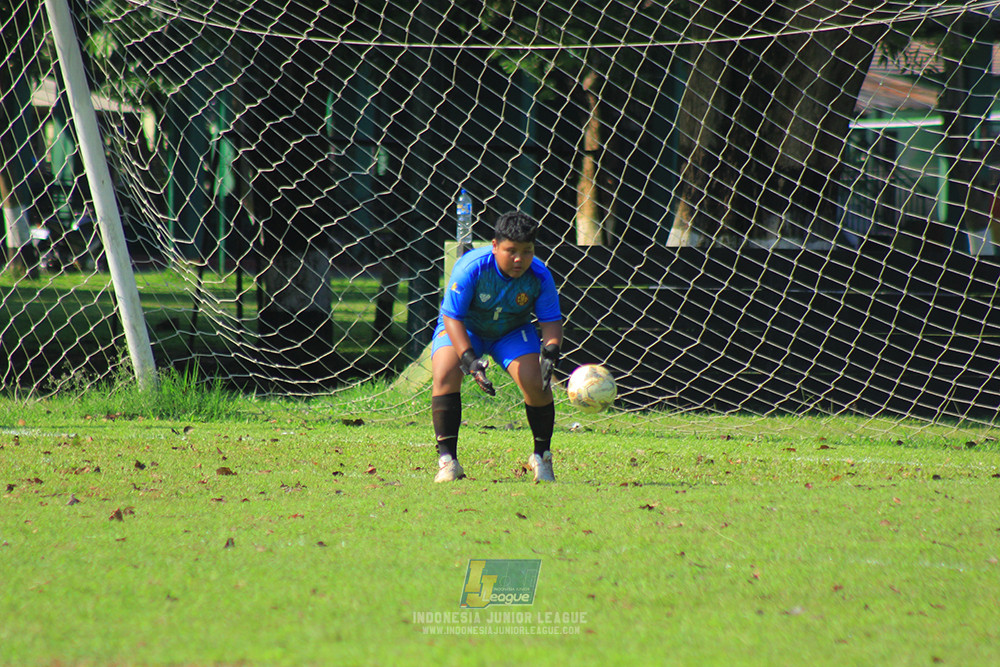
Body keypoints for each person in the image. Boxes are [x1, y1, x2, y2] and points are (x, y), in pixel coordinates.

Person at [431, 210, 563, 483]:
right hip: (466, 328)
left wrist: (551, 351)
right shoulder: (472, 268)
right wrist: (469, 359)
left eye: (527, 251)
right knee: (445, 370)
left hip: (511, 331)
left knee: (536, 382)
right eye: (511, 251)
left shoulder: (539, 275)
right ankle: (448, 461)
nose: (519, 259)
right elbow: (452, 317)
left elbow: (551, 321)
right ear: (494, 246)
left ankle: (542, 456)